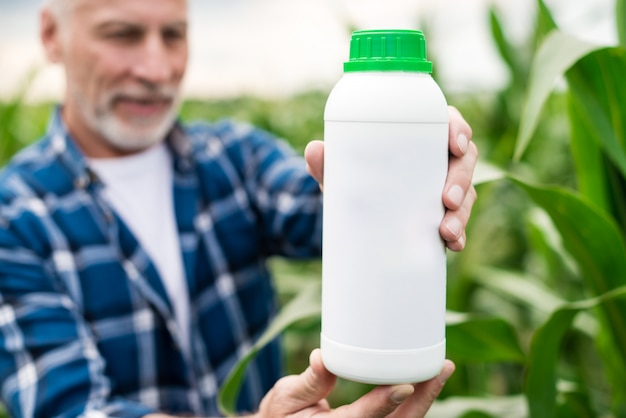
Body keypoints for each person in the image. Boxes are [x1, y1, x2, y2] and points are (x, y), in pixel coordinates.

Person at [0, 0, 478, 416]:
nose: (156, 68)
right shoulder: (14, 217)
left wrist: (421, 163)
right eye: (122, 35)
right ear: (50, 35)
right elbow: (71, 409)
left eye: (173, 35)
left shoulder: (234, 158)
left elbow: (330, 210)